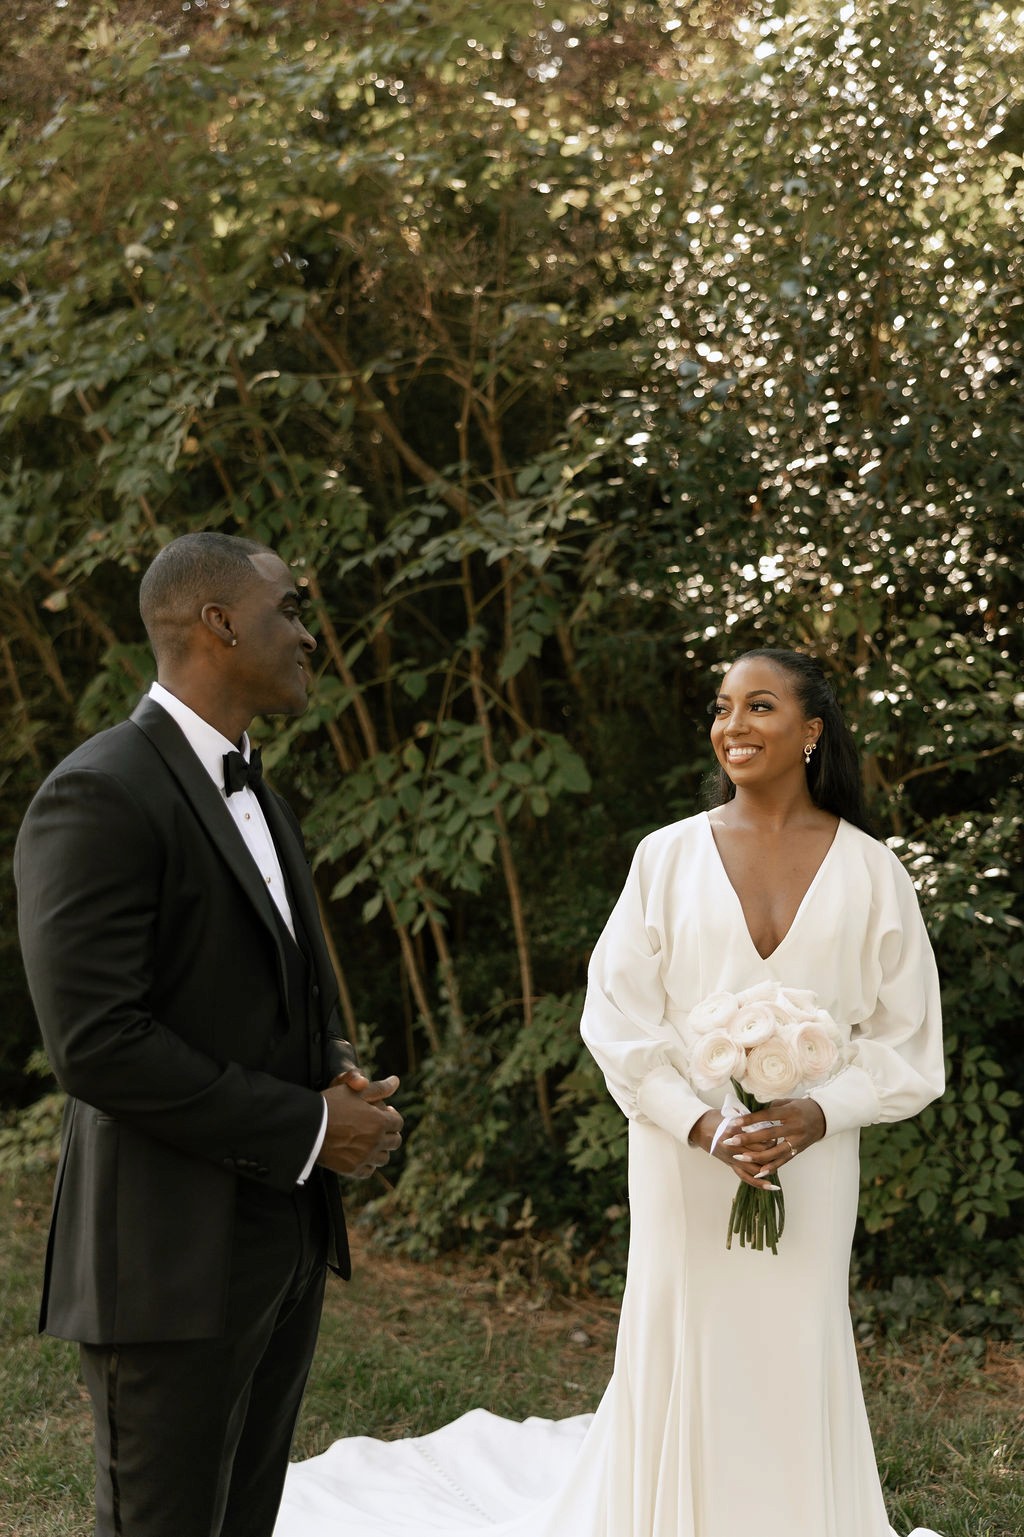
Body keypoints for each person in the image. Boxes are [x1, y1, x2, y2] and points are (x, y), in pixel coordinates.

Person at [269, 647, 945, 1537]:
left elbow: (909, 1039)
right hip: (681, 1153)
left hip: (811, 1160)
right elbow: (615, 1018)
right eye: (722, 706)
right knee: (683, 1331)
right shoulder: (666, 857)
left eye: (760, 705)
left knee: (796, 1331)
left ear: (812, 730)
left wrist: (819, 1112)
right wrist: (700, 1124)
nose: (732, 725)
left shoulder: (873, 870)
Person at [15, 530, 404, 1537]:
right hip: (166, 1255)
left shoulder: (258, 788)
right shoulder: (100, 791)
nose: (308, 635)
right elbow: (96, 1043)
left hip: (280, 1239)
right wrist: (309, 1127)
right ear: (220, 623)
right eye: (289, 610)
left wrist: (334, 1068)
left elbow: (268, 984)